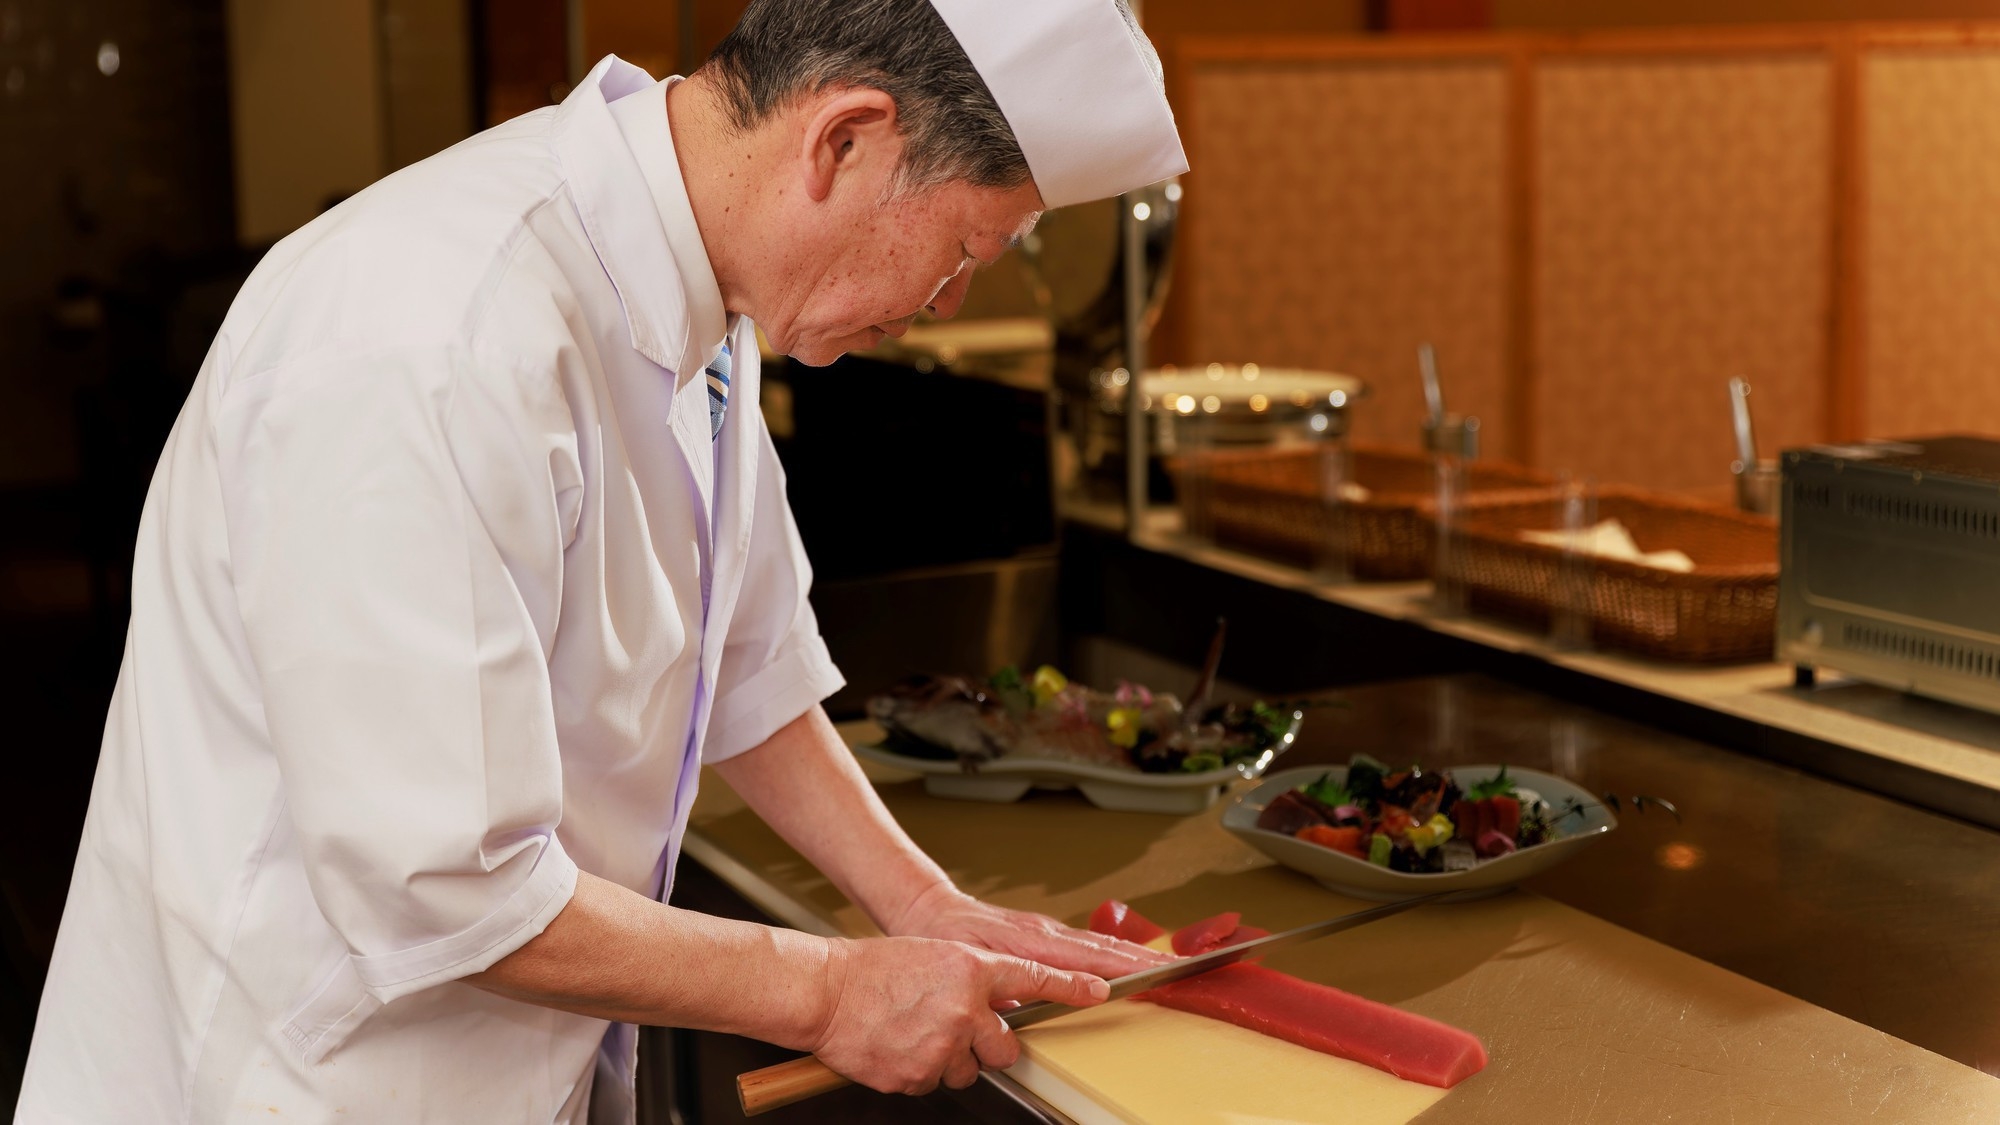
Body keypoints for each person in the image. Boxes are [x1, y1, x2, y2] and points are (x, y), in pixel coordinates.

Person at [15, 0, 1186, 1120]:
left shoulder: (706, 294)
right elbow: (444, 884)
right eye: (965, 247)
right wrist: (832, 992)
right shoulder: (433, 330)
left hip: (514, 1069)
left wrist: (922, 903)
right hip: (299, 1085)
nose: (947, 299)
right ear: (843, 138)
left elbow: (749, 667)